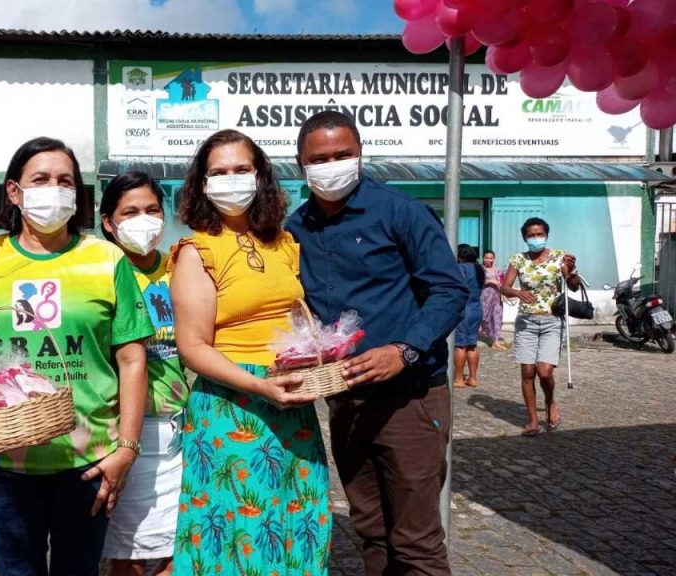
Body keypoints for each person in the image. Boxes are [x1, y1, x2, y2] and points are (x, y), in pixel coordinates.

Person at [286, 111, 466, 576]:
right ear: (300, 164)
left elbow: (449, 290)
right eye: (320, 158)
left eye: (343, 155)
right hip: (345, 399)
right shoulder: (295, 228)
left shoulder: (400, 211)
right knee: (370, 528)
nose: (332, 165)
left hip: (410, 397)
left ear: (361, 155)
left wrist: (404, 350)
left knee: (416, 541)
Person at [0, 137, 154, 576]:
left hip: (88, 463)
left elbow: (132, 361)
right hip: (5, 463)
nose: (54, 188)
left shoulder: (107, 259)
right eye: (41, 179)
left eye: (65, 180)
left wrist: (126, 449)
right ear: (14, 191)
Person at [169, 129, 330, 575]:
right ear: (202, 185)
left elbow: (297, 314)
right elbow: (192, 347)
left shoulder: (282, 242)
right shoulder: (196, 250)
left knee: (297, 518)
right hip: (232, 404)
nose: (231, 179)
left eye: (241, 169)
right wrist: (260, 385)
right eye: (218, 172)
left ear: (260, 177)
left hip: (289, 398)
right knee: (240, 525)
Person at [99, 172, 187, 576]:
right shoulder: (101, 271)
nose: (144, 219)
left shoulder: (179, 268)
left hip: (179, 424)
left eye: (152, 210)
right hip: (123, 428)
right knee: (128, 551)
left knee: (178, 547)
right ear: (108, 223)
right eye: (129, 212)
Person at [500, 217, 579, 437]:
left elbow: (573, 287)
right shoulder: (518, 260)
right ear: (525, 237)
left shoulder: (558, 257)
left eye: (539, 234)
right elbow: (504, 288)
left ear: (546, 235)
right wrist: (517, 292)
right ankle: (533, 420)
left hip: (552, 320)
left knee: (544, 372)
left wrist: (572, 271)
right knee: (527, 372)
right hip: (526, 322)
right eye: (531, 235)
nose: (536, 238)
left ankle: (550, 401)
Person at [454, 244, 485, 388]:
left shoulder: (460, 269)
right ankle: (473, 378)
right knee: (472, 344)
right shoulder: (479, 269)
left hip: (463, 308)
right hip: (477, 307)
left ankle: (458, 378)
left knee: (460, 344)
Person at [480, 249, 506, 349]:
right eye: (486, 258)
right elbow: (477, 281)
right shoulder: (480, 269)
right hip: (485, 297)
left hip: (497, 297)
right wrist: (490, 281)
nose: (488, 260)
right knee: (485, 318)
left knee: (497, 318)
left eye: (490, 258)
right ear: (483, 258)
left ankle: (496, 341)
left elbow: (502, 281)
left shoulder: (498, 270)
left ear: (494, 259)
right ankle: (488, 334)